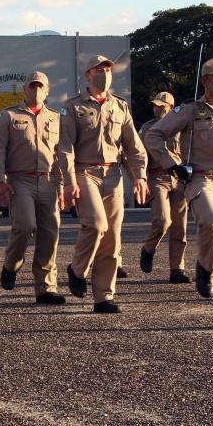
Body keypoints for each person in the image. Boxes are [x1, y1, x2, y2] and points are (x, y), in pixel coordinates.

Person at [145, 57, 213, 329]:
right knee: (211, 220)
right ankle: (205, 265)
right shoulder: (190, 109)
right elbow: (154, 136)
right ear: (205, 80)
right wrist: (173, 165)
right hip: (201, 179)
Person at [60, 55, 149, 314]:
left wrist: (140, 176)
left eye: (108, 69)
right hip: (85, 172)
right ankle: (77, 269)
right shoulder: (73, 107)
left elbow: (133, 146)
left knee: (112, 238)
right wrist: (68, 181)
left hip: (113, 175)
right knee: (96, 224)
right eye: (99, 69)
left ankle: (103, 297)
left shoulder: (119, 107)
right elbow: (65, 148)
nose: (105, 73)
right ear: (88, 75)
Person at [0, 71, 66, 305]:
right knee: (25, 225)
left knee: (49, 234)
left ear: (47, 90)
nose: (36, 90)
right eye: (31, 86)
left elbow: (61, 155)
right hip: (19, 180)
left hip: (47, 180)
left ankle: (45, 288)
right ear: (24, 90)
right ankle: (11, 264)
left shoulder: (56, 118)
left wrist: (63, 184)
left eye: (40, 86)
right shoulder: (9, 116)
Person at [137, 92, 191, 284]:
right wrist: (140, 178)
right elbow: (139, 155)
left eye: (162, 106)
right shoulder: (147, 128)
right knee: (162, 220)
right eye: (155, 105)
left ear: (171, 106)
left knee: (179, 226)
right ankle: (148, 249)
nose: (157, 108)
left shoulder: (181, 126)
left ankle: (177, 269)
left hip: (178, 179)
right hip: (156, 176)